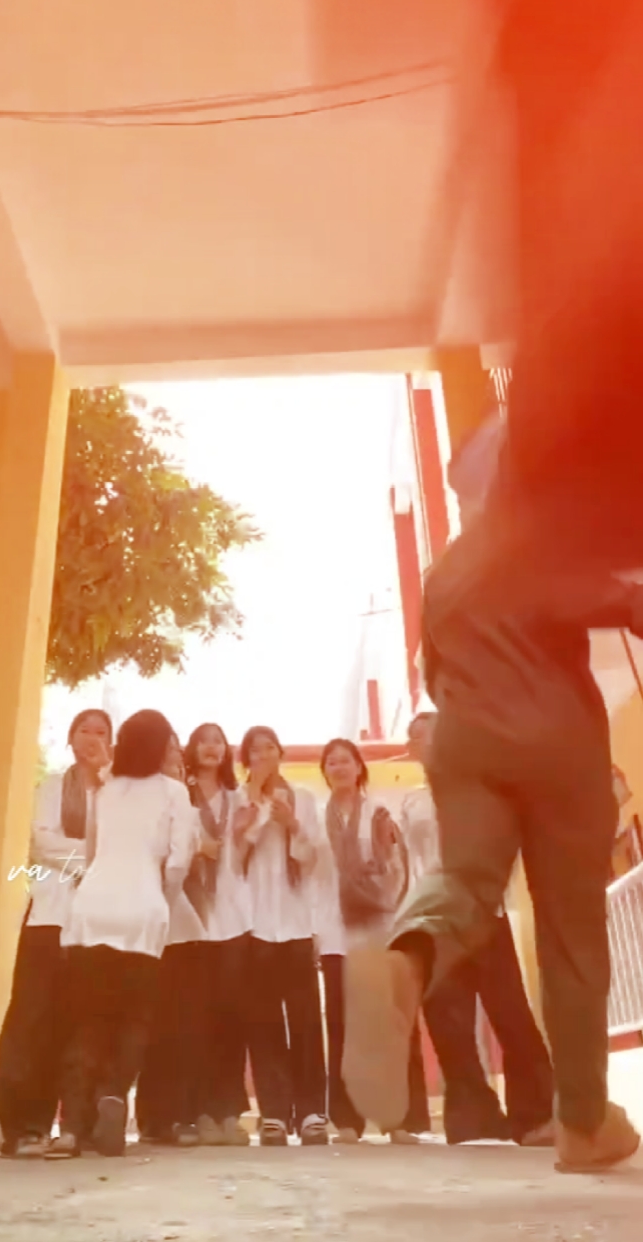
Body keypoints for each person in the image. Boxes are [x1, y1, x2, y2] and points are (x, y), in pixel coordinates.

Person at [343, 419, 643, 1172]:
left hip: (461, 740)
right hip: (553, 737)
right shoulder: (540, 539)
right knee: (570, 928)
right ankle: (581, 1120)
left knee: (466, 882)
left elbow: (433, 669)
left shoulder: (445, 571)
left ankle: (406, 964)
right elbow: (621, 602)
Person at [405, 714, 554, 1148]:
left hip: (483, 911)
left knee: (509, 1010)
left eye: (432, 733)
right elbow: (412, 863)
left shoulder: (479, 789)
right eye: (417, 737)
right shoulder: (411, 804)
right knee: (447, 1020)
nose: (425, 742)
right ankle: (473, 1120)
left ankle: (536, 1114)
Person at [60, 710, 197, 1158]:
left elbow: (91, 854)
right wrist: (161, 896)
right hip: (142, 910)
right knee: (134, 1018)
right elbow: (179, 861)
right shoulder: (174, 792)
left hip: (92, 909)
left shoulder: (104, 790)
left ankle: (73, 1126)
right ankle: (114, 1096)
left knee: (88, 1020)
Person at [0, 709, 112, 1159]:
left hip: (95, 924)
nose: (92, 738)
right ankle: (24, 1126)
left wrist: (91, 855)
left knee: (80, 1025)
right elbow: (41, 844)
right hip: (48, 916)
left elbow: (123, 846)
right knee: (32, 1021)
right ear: (70, 738)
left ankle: (76, 1127)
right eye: (84, 730)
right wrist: (93, 859)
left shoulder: (117, 794)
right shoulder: (51, 789)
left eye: (101, 732)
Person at [316, 736, 430, 1144]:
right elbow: (313, 876)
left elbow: (398, 867)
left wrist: (377, 875)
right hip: (336, 932)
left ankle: (402, 1120)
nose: (339, 768)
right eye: (331, 762)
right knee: (342, 1026)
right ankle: (347, 1120)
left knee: (392, 1023)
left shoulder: (379, 813)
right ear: (324, 771)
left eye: (345, 761)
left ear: (359, 767)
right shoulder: (318, 817)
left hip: (380, 928)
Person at [235, 726, 329, 1146]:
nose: (262, 756)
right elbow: (233, 860)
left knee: (305, 1019)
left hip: (296, 923)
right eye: (254, 751)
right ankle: (273, 1112)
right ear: (246, 759)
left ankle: (311, 1112)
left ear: (281, 753)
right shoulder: (238, 801)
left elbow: (312, 858)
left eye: (269, 748)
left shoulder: (302, 798)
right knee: (264, 1021)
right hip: (255, 924)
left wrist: (292, 824)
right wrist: (256, 813)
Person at [135, 736, 207, 1147]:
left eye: (177, 752)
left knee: (180, 1027)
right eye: (166, 751)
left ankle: (175, 1115)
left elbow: (188, 856)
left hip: (180, 928)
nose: (174, 759)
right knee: (149, 1026)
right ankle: (152, 1117)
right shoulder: (133, 800)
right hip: (146, 924)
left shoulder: (185, 804)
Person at [183, 723, 252, 1147]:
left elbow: (249, 857)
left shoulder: (237, 798)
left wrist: (242, 835)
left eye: (218, 741)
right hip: (191, 918)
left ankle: (229, 1111)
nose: (211, 747)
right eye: (203, 740)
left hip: (233, 917)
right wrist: (195, 847)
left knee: (231, 1017)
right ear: (191, 749)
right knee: (196, 1019)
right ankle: (199, 1112)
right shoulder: (179, 794)